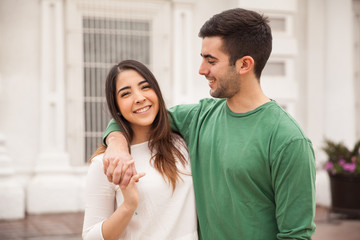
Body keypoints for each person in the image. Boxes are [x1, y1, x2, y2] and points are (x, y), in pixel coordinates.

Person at [103, 8, 316, 240]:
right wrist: (116, 146)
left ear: (244, 65)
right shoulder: (199, 117)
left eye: (211, 61)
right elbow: (141, 115)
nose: (202, 70)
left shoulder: (288, 140)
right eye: (202, 59)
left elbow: (296, 236)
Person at [82, 60, 198, 240]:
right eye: (126, 93)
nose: (139, 97)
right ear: (117, 107)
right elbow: (90, 237)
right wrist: (129, 206)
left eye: (145, 87)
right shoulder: (107, 163)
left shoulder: (182, 143)